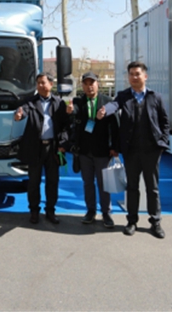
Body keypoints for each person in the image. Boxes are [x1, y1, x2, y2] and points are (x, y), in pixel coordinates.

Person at [97, 61, 169, 239]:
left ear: (145, 76)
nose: (134, 77)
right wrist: (105, 110)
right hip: (131, 151)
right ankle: (131, 221)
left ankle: (155, 222)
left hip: (152, 150)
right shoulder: (124, 96)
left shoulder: (155, 97)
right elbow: (114, 105)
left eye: (137, 74)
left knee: (152, 188)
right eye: (131, 74)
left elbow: (165, 122)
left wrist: (162, 142)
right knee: (132, 187)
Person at [14, 73, 70, 224]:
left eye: (43, 82)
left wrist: (63, 144)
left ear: (51, 84)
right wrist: (19, 115)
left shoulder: (59, 103)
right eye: (38, 83)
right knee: (34, 182)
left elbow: (65, 126)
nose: (40, 85)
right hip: (35, 148)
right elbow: (23, 111)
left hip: (53, 148)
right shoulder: (30, 101)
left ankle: (50, 211)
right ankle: (34, 211)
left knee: (52, 182)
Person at [68, 71, 118, 228]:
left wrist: (114, 147)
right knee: (88, 183)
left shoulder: (107, 102)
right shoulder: (78, 101)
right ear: (82, 86)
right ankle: (90, 211)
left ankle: (106, 213)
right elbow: (73, 112)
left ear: (98, 84)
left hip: (103, 151)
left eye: (92, 83)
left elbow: (115, 127)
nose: (89, 87)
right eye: (86, 84)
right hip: (84, 151)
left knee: (104, 184)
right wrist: (70, 111)